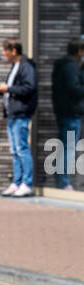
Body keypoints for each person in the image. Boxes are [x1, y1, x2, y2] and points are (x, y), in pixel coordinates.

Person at [0, 38, 38, 197]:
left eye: (5, 50)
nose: (3, 54)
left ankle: (26, 184)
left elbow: (29, 88)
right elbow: (14, 89)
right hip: (12, 114)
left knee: (22, 149)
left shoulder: (26, 66)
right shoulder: (15, 67)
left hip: (21, 113)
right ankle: (17, 182)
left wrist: (8, 88)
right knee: (15, 150)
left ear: (14, 51)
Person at [51, 40, 84, 190]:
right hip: (71, 113)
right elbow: (74, 89)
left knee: (64, 147)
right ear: (79, 51)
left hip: (63, 111)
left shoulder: (61, 66)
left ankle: (61, 181)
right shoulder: (71, 67)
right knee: (68, 148)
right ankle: (64, 183)